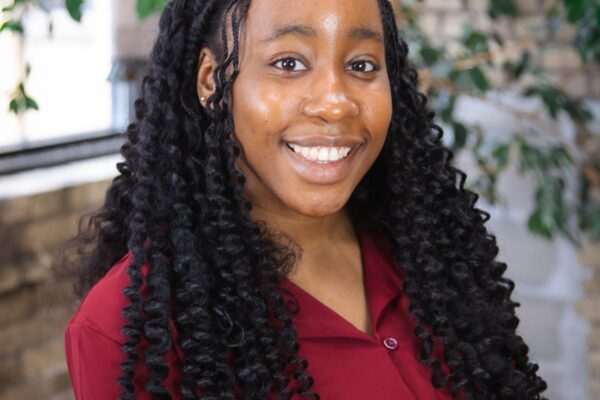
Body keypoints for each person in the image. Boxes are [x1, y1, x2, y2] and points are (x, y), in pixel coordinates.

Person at [60, 0, 548, 399]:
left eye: (361, 65)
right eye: (288, 63)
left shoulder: (433, 254)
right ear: (211, 81)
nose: (335, 101)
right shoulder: (130, 327)